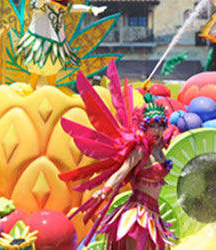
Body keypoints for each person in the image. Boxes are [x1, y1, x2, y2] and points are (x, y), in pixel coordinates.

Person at [59, 61, 177, 249]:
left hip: (154, 213)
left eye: (159, 126)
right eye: (152, 126)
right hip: (138, 214)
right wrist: (105, 190)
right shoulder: (141, 151)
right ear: (144, 129)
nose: (156, 130)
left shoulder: (160, 150)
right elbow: (122, 172)